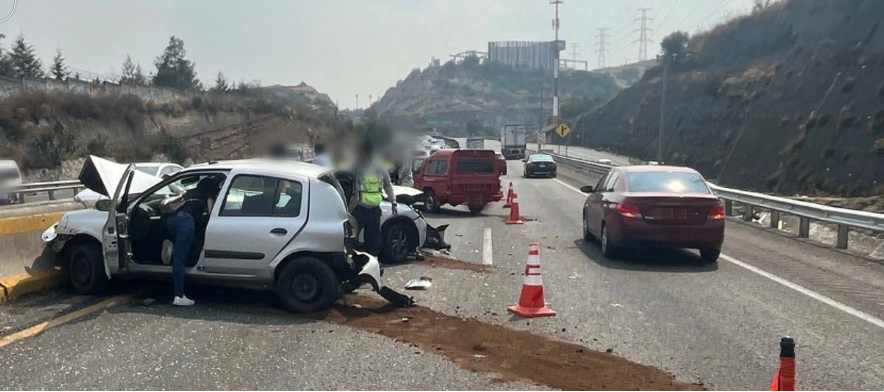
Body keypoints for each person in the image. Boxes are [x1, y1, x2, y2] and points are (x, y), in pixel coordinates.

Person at [166, 176, 221, 306]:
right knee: (179, 259)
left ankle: (172, 247)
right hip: (186, 222)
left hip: (172, 220)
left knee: (182, 247)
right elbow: (211, 212)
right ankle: (179, 296)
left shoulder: (190, 192)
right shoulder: (209, 193)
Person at [353, 139, 397, 257]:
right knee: (352, 240)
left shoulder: (379, 166)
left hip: (373, 210)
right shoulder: (356, 165)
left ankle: (372, 262)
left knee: (373, 241)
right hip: (358, 208)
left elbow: (387, 185)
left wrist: (393, 202)